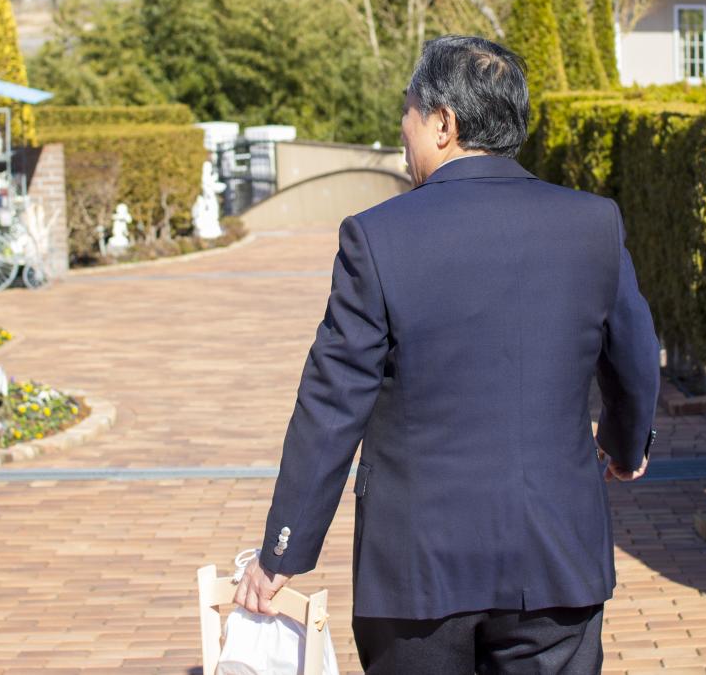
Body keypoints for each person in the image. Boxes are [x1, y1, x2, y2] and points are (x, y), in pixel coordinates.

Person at [233, 35, 661, 674]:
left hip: (416, 573)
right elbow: (633, 357)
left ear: (443, 123)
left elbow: (331, 404)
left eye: (406, 112)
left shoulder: (378, 236)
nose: (401, 132)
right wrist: (626, 449)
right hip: (557, 560)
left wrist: (282, 552)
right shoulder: (592, 224)